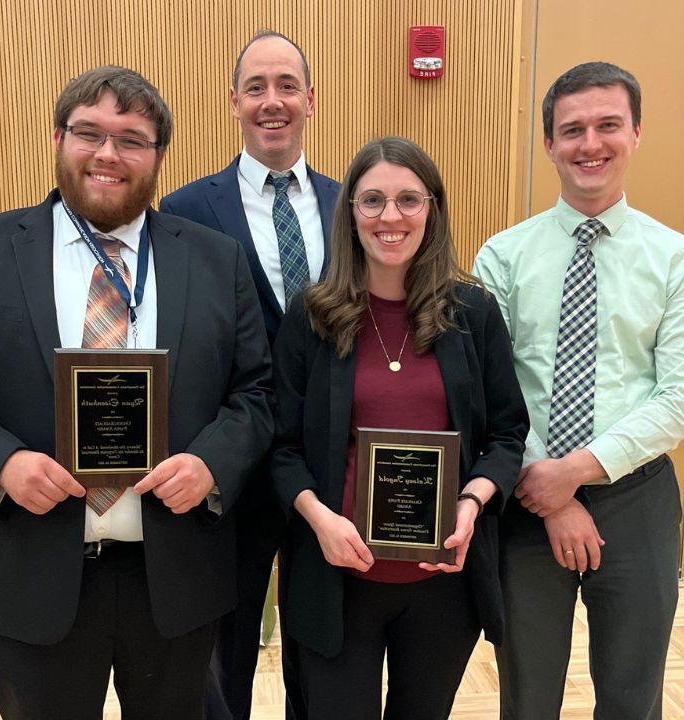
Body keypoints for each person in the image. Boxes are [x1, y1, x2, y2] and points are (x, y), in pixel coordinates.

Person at [0, 65, 273, 720]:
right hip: (30, 575)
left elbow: (257, 392)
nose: (107, 154)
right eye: (88, 132)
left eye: (132, 139)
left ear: (157, 155)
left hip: (175, 578)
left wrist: (213, 463)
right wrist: (0, 464)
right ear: (58, 137)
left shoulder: (215, 260)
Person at [472, 61, 684, 719]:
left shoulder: (676, 261)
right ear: (548, 143)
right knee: (527, 697)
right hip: (526, 499)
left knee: (633, 698)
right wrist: (548, 494)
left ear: (636, 133)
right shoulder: (502, 258)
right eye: (572, 129)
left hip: (636, 498)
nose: (590, 144)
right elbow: (486, 392)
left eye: (608, 125)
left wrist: (577, 472)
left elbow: (680, 397)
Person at [269, 136, 529, 719]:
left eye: (409, 199)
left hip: (442, 581)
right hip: (337, 575)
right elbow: (281, 447)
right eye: (373, 200)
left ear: (433, 210)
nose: (391, 216)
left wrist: (470, 503)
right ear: (351, 213)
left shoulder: (473, 314)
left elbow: (508, 435)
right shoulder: (310, 317)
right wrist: (320, 520)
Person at [159, 29, 338, 720]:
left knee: (322, 642)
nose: (273, 101)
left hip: (327, 464)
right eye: (257, 87)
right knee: (223, 645)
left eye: (287, 85)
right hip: (227, 465)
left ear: (310, 100)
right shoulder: (183, 212)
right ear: (233, 101)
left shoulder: (350, 204)